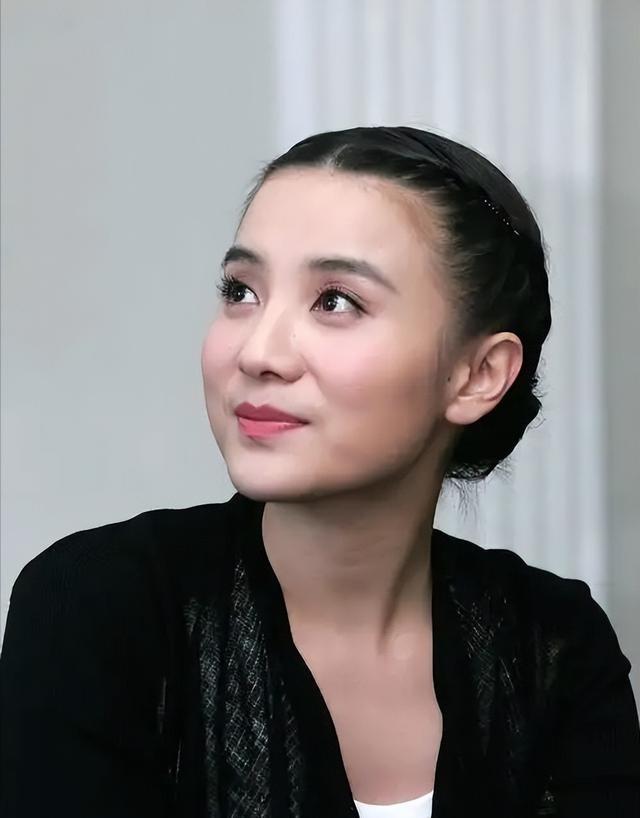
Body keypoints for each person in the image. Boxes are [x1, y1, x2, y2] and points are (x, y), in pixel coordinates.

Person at [1, 126, 639, 818]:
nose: (258, 353)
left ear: (478, 374)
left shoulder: (554, 646)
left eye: (336, 301)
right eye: (241, 291)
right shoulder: (99, 607)